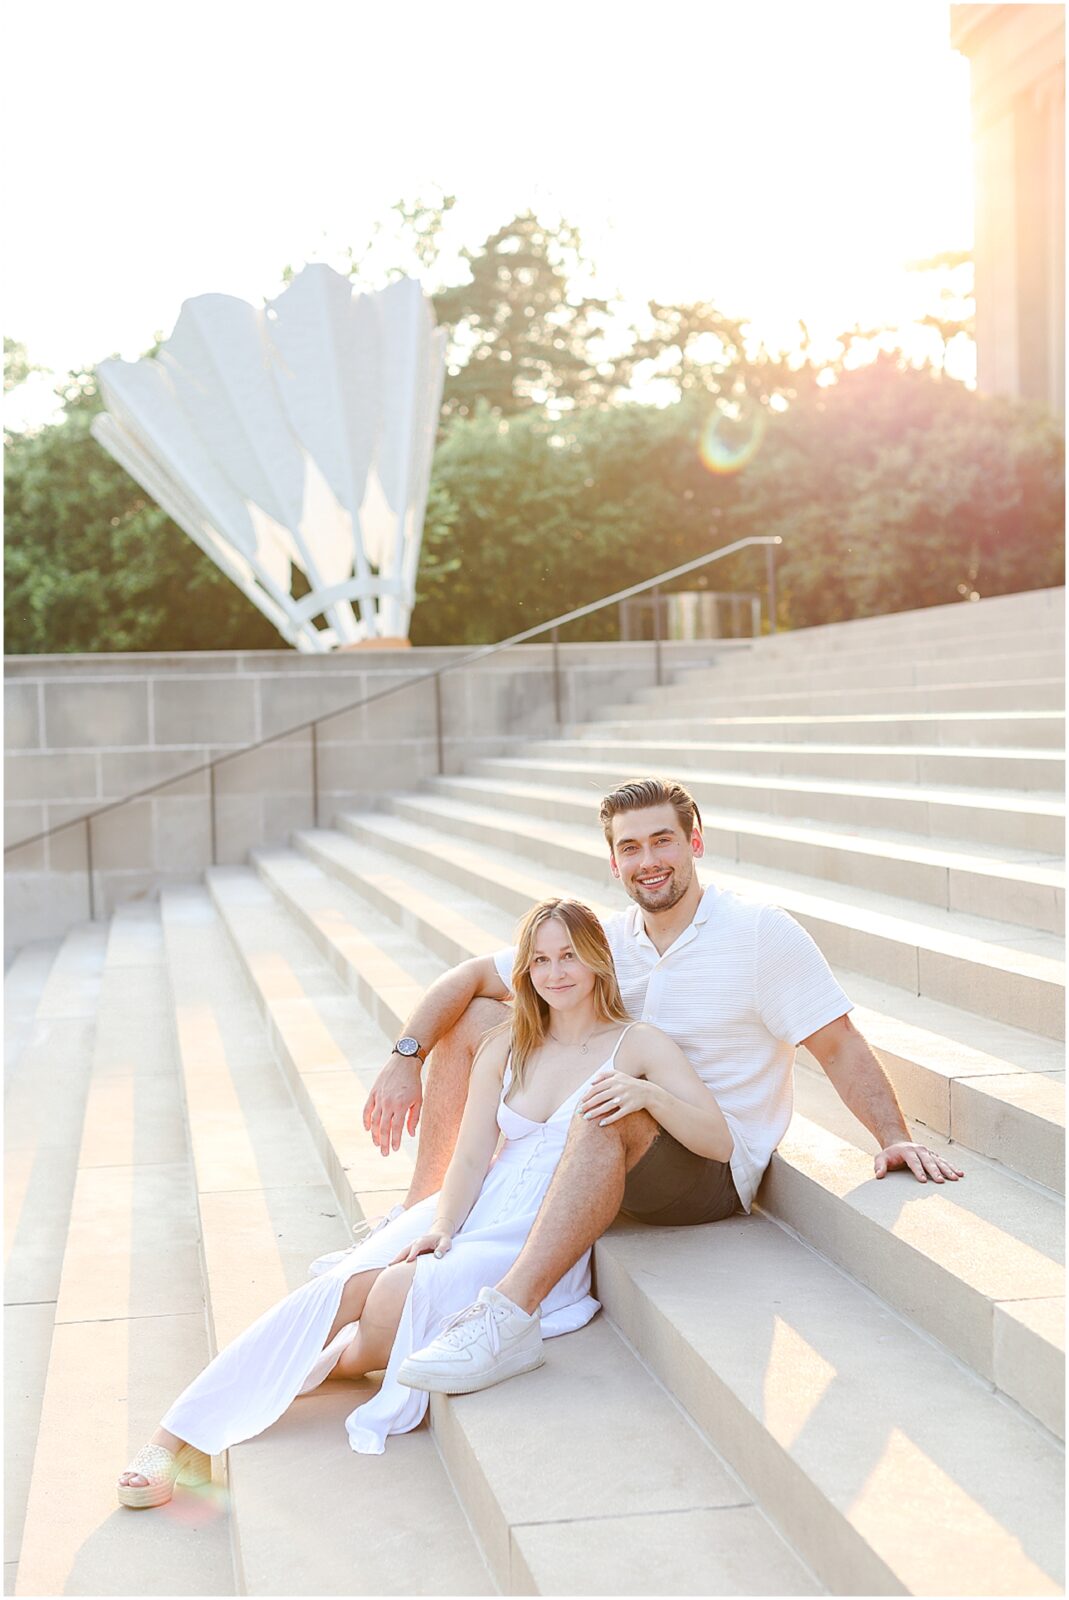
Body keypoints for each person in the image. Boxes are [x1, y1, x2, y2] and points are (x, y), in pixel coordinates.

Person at [117, 897, 729, 1506]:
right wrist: (441, 1225)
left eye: (569, 956)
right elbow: (468, 1160)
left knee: (389, 1296)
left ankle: (301, 1373)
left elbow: (720, 1142)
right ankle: (171, 1436)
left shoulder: (639, 1045)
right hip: (474, 1208)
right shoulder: (506, 1047)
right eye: (540, 960)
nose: (555, 972)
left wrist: (646, 1096)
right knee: (341, 1285)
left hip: (536, 1238)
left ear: (599, 960)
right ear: (525, 972)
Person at [365, 776, 965, 1396]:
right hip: (602, 1144)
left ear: (695, 842)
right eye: (631, 848)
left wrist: (893, 1136)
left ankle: (508, 1316)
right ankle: (420, 1214)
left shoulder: (759, 934)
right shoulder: (607, 940)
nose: (648, 862)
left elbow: (837, 1044)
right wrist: (406, 1055)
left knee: (608, 1102)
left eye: (662, 842)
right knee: (481, 1022)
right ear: (614, 860)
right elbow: (466, 977)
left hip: (705, 1164)